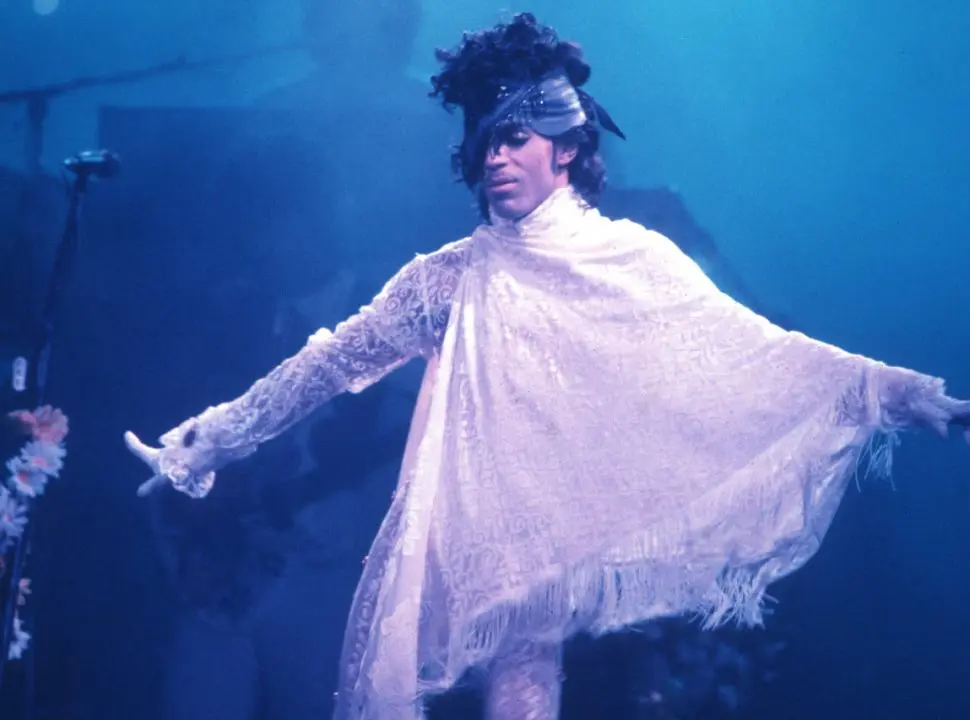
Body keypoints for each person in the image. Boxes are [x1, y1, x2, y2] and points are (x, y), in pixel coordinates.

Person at [124, 13, 970, 720]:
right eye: (484, 142)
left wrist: (898, 392)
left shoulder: (633, 258)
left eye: (515, 138)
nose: (494, 157)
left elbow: (752, 349)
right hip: (475, 528)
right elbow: (329, 362)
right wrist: (209, 439)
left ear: (565, 148)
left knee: (529, 661)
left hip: (579, 512)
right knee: (488, 665)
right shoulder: (448, 278)